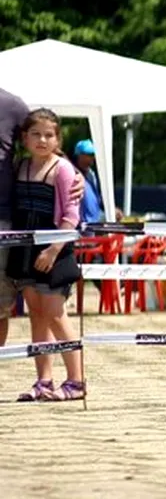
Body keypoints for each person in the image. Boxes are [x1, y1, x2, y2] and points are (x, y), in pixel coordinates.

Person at [7, 109, 85, 400]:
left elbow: (71, 216)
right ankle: (44, 380)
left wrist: (54, 250)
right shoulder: (21, 166)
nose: (42, 140)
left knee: (55, 313)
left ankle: (76, 381)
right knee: (36, 315)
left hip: (55, 247)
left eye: (49, 135)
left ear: (58, 138)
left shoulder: (63, 169)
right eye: (36, 134)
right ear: (25, 138)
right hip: (24, 249)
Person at [0, 88, 82, 348]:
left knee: (0, 307)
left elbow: (44, 137)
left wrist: (75, 174)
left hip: (4, 226)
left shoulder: (11, 105)